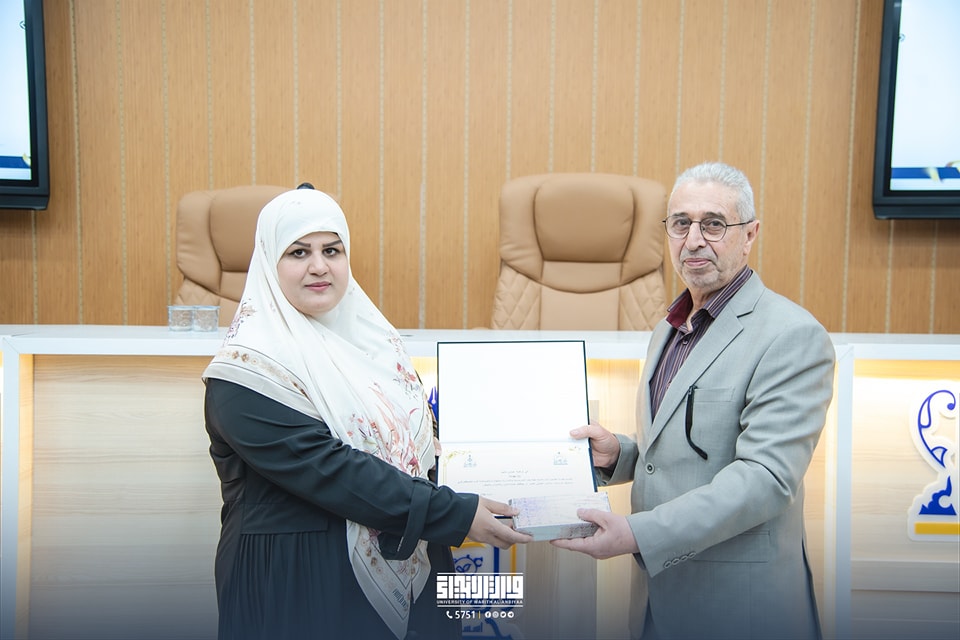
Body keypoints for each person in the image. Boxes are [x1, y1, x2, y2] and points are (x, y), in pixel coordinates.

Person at [202, 187, 530, 640]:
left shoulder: (377, 347)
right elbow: (332, 470)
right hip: (298, 583)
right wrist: (455, 513)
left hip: (412, 553)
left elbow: (422, 449)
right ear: (268, 263)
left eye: (331, 250)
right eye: (298, 252)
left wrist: (528, 468)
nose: (320, 266)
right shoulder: (247, 373)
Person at [552, 162, 836, 640]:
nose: (694, 240)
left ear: (750, 235)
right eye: (681, 223)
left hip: (740, 609)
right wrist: (620, 455)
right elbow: (685, 452)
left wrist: (638, 533)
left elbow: (765, 479)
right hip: (658, 603)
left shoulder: (792, 335)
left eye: (714, 224)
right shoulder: (668, 328)